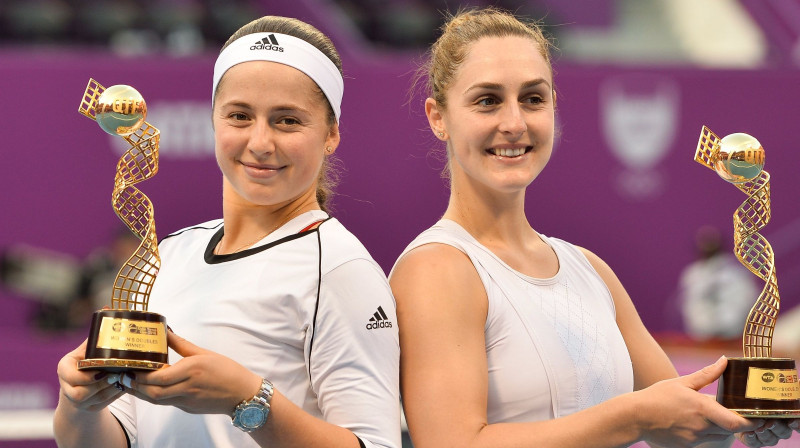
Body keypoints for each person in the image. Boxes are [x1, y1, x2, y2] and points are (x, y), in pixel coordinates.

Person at [388, 8, 798, 448]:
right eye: (487, 100)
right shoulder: (435, 269)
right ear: (438, 117)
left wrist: (742, 418)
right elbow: (452, 444)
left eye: (532, 98)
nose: (514, 123)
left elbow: (681, 427)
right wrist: (633, 417)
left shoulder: (588, 269)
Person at [54, 16, 400, 448]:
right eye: (239, 115)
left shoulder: (341, 270)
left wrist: (248, 399)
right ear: (214, 120)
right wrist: (78, 403)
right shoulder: (170, 254)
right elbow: (116, 437)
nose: (260, 142)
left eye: (287, 121)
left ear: (330, 134)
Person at [678, 225, 759, 341]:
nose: (708, 246)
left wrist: (730, 324)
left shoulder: (736, 272)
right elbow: (688, 304)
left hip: (732, 336)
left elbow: (748, 299)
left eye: (711, 242)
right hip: (701, 338)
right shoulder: (692, 275)